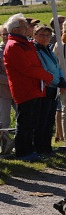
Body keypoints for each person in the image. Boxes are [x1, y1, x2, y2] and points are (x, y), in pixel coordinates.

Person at [3, 14, 51, 163]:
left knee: (32, 122)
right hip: (25, 89)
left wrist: (43, 75)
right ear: (17, 29)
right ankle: (23, 152)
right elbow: (26, 68)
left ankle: (30, 150)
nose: (28, 29)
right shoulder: (14, 46)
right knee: (25, 122)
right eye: (25, 26)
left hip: (34, 87)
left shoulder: (24, 43)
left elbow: (34, 65)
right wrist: (46, 75)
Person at [34, 25, 66, 156]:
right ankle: (40, 148)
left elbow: (57, 66)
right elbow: (43, 68)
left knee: (49, 120)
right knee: (42, 119)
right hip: (44, 87)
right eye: (41, 35)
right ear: (35, 35)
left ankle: (47, 147)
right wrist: (57, 81)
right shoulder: (36, 50)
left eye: (47, 35)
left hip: (54, 87)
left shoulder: (48, 49)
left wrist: (62, 80)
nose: (45, 38)